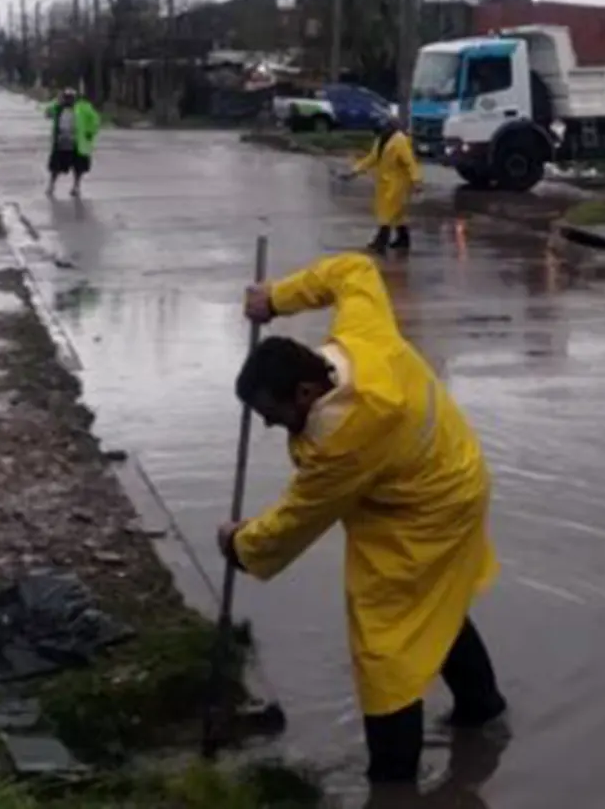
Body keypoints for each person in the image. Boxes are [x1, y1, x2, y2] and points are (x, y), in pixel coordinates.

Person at [219, 252, 507, 787]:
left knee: (384, 648)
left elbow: (296, 521)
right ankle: (482, 709)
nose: (268, 426)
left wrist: (240, 545)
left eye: (273, 415)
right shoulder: (361, 338)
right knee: (435, 603)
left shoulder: (345, 438)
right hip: (455, 469)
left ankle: (393, 783)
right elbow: (354, 270)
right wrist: (276, 298)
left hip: (424, 513)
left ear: (305, 392)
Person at [342, 117, 422, 254]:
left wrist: (417, 180)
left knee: (387, 212)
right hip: (385, 182)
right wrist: (354, 171)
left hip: (398, 184)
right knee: (397, 214)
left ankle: (381, 241)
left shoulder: (400, 141)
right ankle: (403, 239)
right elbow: (372, 158)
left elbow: (410, 162)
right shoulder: (381, 140)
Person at [45, 87, 101, 198]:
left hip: (77, 142)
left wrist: (90, 132)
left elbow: (95, 119)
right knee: (55, 167)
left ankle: (76, 186)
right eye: (66, 97)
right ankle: (51, 185)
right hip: (61, 142)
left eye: (71, 98)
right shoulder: (58, 107)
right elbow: (47, 113)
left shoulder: (83, 107)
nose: (68, 100)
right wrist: (56, 102)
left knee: (78, 167)